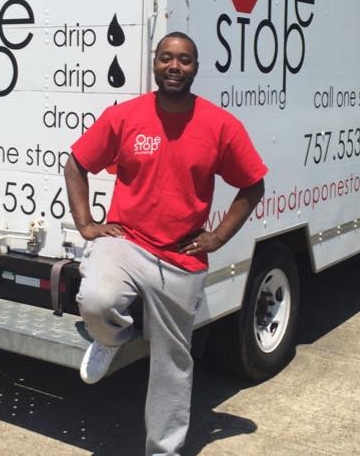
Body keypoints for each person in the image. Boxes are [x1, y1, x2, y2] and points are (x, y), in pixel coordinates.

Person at [64, 32, 266, 455]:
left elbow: (252, 184)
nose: (175, 67)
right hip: (127, 241)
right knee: (97, 302)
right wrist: (86, 224)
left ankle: (163, 449)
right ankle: (109, 339)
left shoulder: (219, 125)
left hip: (180, 258)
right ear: (154, 63)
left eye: (185, 60)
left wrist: (217, 236)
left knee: (173, 365)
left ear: (196, 67)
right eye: (166, 59)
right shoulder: (126, 116)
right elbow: (77, 163)